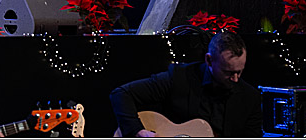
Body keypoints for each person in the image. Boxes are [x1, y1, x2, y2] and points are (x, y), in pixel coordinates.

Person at [110, 31, 262, 137]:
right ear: (209, 60)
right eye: (228, 72)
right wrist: (138, 131)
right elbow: (121, 94)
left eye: (239, 72)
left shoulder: (250, 98)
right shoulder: (179, 78)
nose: (235, 79)